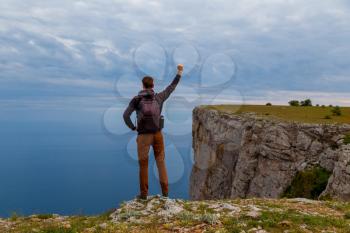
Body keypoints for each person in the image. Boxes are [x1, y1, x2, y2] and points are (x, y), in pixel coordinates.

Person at [123, 64, 184, 200]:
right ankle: (165, 194)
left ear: (143, 85)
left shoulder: (136, 100)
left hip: (143, 136)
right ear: (153, 85)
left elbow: (125, 116)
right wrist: (179, 73)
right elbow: (171, 87)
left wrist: (133, 128)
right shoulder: (159, 97)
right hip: (157, 135)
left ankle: (144, 195)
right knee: (161, 163)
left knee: (143, 166)